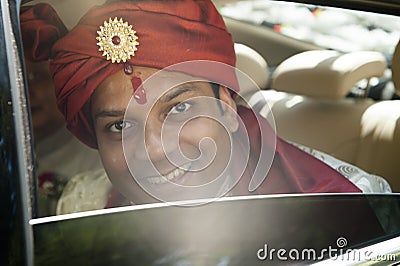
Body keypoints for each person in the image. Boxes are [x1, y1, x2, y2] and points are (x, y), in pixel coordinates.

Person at [50, 0, 390, 210]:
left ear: (227, 106)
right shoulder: (87, 206)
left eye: (179, 109)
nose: (153, 151)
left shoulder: (345, 209)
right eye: (119, 126)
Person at [20, 3, 106, 216]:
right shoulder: (12, 157)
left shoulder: (97, 155)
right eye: (18, 81)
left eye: (36, 77)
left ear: (61, 84)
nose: (26, 92)